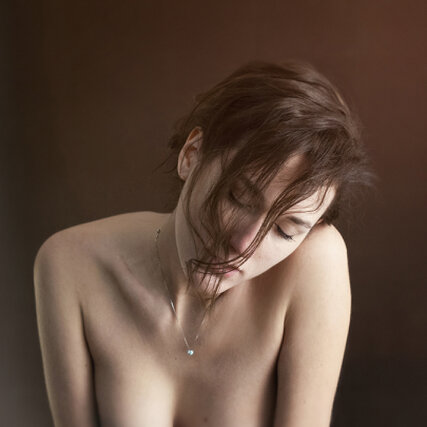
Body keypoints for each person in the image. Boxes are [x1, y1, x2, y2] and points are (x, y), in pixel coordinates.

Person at [34, 60, 376, 427]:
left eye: (285, 230)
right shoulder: (71, 263)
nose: (244, 244)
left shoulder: (315, 261)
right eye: (238, 197)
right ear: (191, 154)